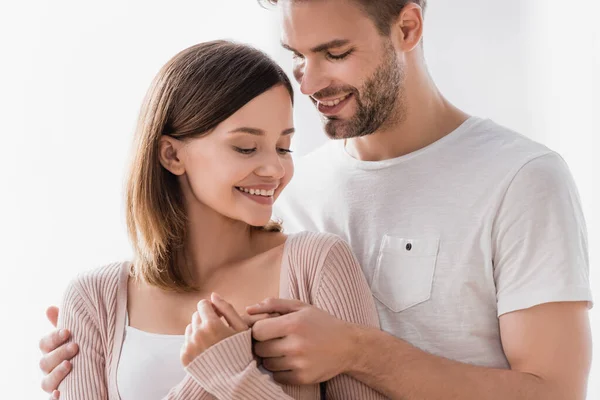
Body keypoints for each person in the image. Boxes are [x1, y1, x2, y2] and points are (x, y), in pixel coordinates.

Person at [41, 1, 593, 399]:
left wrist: (356, 350)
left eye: (334, 52)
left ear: (407, 26)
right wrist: (96, 349)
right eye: (298, 55)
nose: (309, 83)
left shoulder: (520, 178)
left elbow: (556, 394)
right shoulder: (287, 190)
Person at [40, 39, 386, 400]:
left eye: (284, 147)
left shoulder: (317, 265)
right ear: (172, 155)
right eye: (245, 147)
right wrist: (212, 376)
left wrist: (229, 375)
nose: (274, 169)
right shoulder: (94, 299)